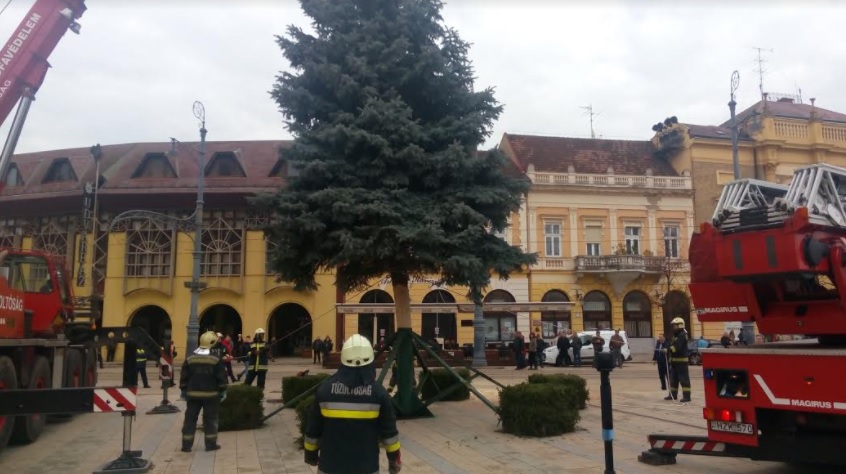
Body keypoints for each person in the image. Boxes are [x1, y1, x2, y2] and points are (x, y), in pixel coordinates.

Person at [304, 334, 401, 474]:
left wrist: (310, 455)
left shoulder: (324, 391)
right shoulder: (379, 394)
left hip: (330, 467)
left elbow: (313, 429)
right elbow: (389, 433)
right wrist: (394, 460)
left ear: (343, 360)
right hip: (366, 468)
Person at [179, 331, 228, 453]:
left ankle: (186, 446)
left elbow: (184, 376)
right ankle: (210, 445)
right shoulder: (216, 359)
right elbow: (221, 378)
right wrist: (223, 391)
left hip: (193, 395)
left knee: (190, 419)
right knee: (210, 420)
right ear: (212, 343)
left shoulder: (190, 358)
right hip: (211, 396)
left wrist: (184, 390)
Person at [666, 317, 691, 402]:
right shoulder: (676, 335)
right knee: (673, 380)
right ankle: (673, 395)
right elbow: (672, 345)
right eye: (673, 326)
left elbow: (677, 347)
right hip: (674, 361)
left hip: (681, 362)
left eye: (675, 326)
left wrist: (668, 350)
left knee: (683, 379)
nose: (673, 327)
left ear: (680, 325)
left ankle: (687, 397)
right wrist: (667, 349)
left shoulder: (682, 335)